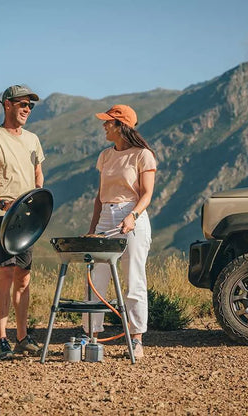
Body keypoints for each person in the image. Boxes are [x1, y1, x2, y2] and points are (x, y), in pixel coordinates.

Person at [0, 85, 45, 360]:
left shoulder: (33, 140)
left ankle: (22, 337)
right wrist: (2, 202)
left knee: (23, 278)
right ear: (6, 105)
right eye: (22, 104)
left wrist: (37, 198)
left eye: (30, 105)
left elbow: (38, 175)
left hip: (27, 218)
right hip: (2, 216)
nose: (27, 109)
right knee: (6, 275)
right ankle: (1, 339)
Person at [82, 104, 156, 359]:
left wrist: (132, 216)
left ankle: (136, 339)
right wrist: (93, 229)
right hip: (106, 217)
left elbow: (147, 194)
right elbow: (99, 196)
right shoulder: (105, 156)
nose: (104, 126)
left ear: (121, 126)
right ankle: (91, 337)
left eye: (108, 122)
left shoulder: (142, 155)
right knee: (95, 277)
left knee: (133, 277)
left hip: (132, 215)